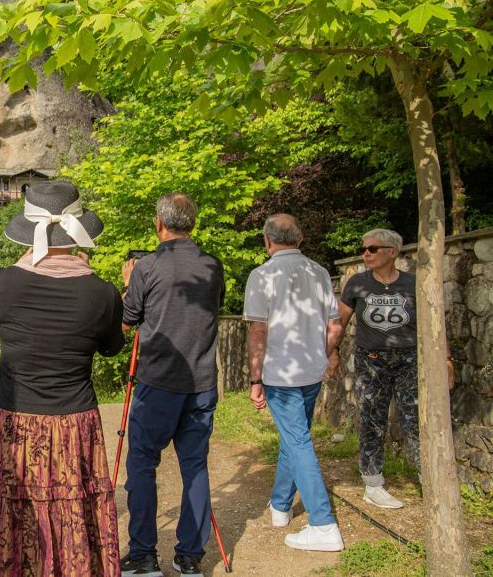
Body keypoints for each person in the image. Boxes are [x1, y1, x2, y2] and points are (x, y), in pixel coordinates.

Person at [0, 180, 125, 577]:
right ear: (76, 230)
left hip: (14, 421)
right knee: (73, 506)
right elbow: (112, 348)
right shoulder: (102, 293)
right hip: (74, 421)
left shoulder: (1, 281)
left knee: (12, 506)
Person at [119, 193, 225, 577]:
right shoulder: (213, 265)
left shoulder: (146, 267)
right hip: (201, 382)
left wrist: (129, 284)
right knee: (194, 466)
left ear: (158, 223)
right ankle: (189, 557)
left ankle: (144, 555)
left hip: (157, 381)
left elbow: (126, 321)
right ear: (191, 223)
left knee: (143, 464)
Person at [243, 214, 344, 552]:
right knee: (294, 437)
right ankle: (281, 506)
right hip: (311, 370)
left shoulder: (261, 276)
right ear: (300, 240)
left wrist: (255, 377)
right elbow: (336, 326)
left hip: (280, 373)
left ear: (267, 241)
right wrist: (323, 353)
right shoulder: (319, 274)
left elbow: (258, 331)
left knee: (297, 441)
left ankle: (323, 522)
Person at [334, 228, 454, 509]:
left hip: (409, 361)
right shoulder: (357, 284)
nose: (366, 254)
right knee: (372, 421)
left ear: (392, 252)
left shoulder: (413, 283)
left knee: (416, 420)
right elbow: (339, 322)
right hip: (371, 360)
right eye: (363, 249)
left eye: (372, 249)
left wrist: (446, 361)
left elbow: (435, 325)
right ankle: (373, 484)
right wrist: (332, 352)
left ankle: (431, 482)